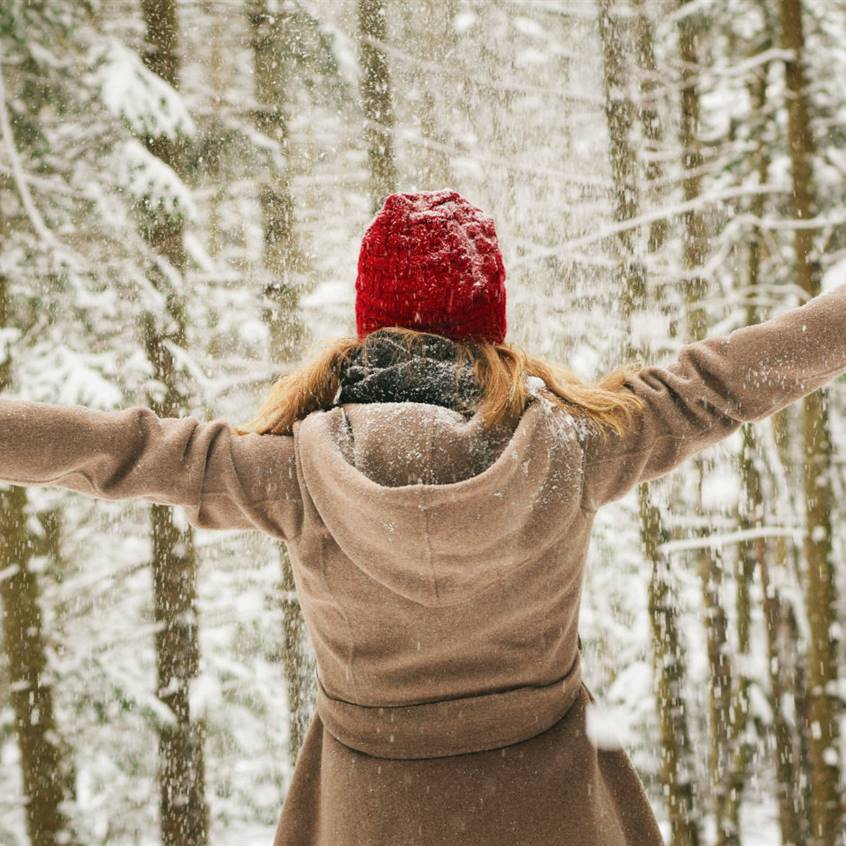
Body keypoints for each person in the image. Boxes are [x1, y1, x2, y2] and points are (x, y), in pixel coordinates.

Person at [0, 189, 843, 846]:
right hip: (553, 820)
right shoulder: (578, 450)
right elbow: (724, 382)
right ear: (491, 325)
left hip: (372, 818)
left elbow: (125, 450)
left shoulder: (295, 474)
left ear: (372, 319)